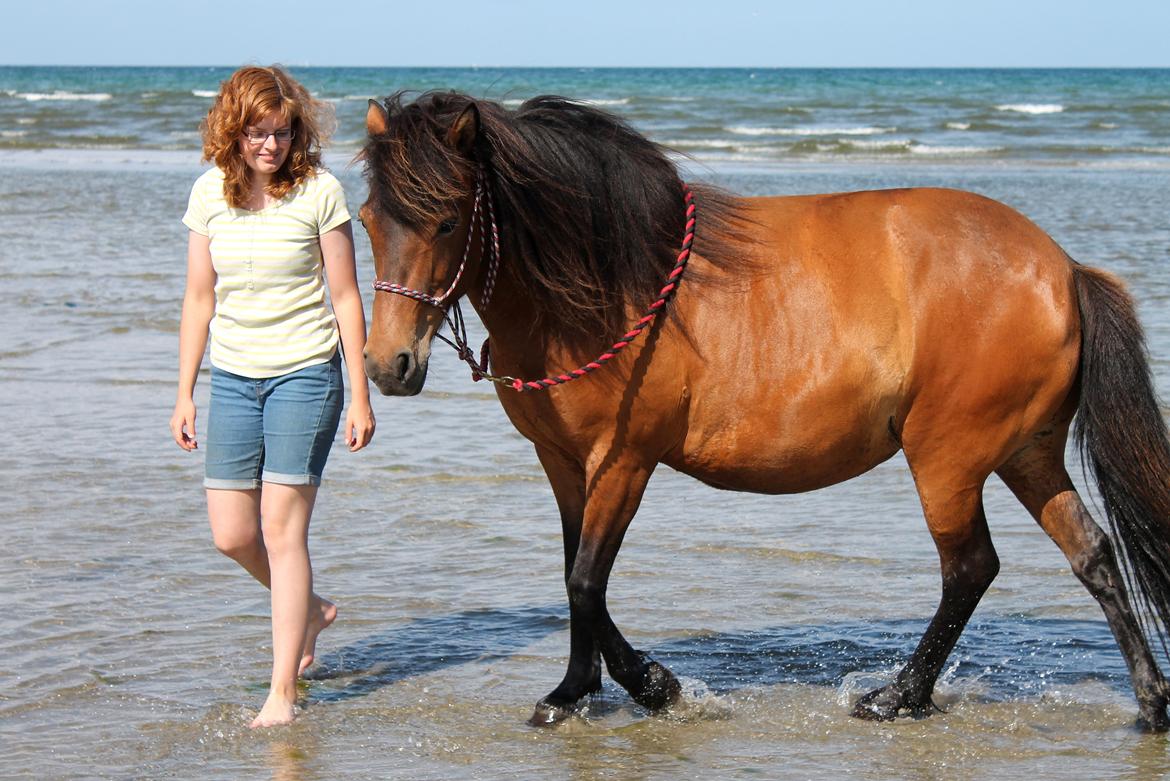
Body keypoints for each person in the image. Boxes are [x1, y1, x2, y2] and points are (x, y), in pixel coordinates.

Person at [168, 65, 375, 728]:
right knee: (231, 534)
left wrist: (360, 394)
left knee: (283, 531)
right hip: (231, 377)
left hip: (306, 376)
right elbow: (200, 297)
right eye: (258, 132)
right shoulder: (209, 195)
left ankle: (281, 692)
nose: (270, 145)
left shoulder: (319, 191)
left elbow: (346, 297)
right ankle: (310, 609)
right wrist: (184, 392)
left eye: (282, 133)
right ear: (234, 129)